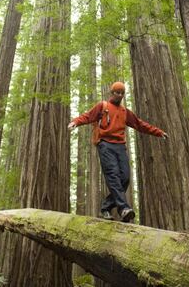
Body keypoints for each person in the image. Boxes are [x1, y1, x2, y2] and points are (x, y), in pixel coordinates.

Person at [68, 81, 168, 223]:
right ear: (112, 93)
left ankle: (106, 206)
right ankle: (123, 208)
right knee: (112, 174)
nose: (120, 95)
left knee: (125, 178)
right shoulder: (103, 106)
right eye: (117, 92)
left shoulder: (124, 112)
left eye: (122, 93)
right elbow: (88, 116)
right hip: (105, 144)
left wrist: (158, 132)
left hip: (120, 146)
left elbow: (140, 124)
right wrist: (75, 122)